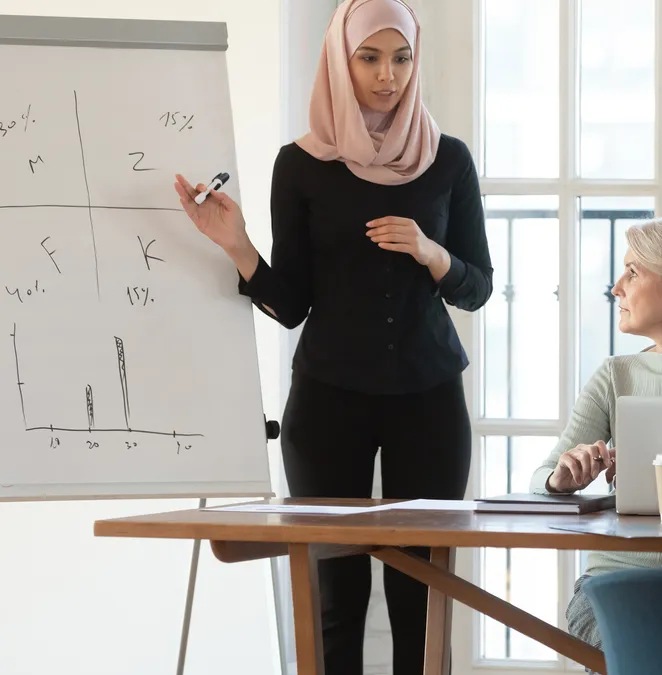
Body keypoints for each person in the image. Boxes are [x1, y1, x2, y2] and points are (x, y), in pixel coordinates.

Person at [172, 1, 491, 673]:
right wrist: (237, 247)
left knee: (423, 595)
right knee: (335, 596)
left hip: (428, 397)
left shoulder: (448, 161)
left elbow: (477, 286)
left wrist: (433, 254)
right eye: (369, 58)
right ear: (339, 60)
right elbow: (291, 305)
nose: (387, 77)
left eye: (401, 58)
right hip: (327, 401)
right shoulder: (302, 165)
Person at [528, 213, 662, 648]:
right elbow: (542, 479)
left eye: (632, 272)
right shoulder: (615, 375)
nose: (616, 288)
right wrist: (563, 478)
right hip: (615, 588)